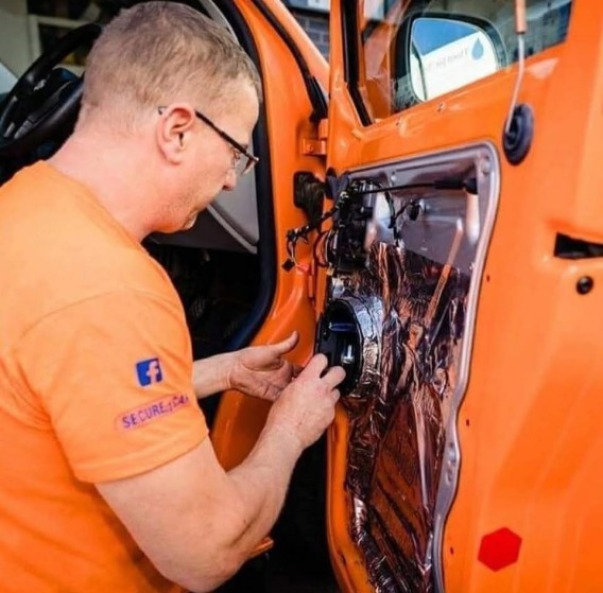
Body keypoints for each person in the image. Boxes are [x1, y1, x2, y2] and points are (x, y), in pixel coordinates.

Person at [0, 3, 345, 592]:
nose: (232, 179)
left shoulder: (22, 205)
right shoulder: (109, 287)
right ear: (178, 130)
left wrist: (222, 371)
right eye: (237, 152)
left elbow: (67, 389)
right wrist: (291, 428)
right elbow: (206, 552)